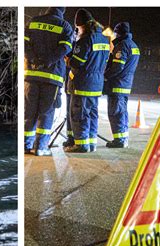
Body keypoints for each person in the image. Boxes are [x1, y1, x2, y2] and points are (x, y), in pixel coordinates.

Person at [24, 7, 74, 156]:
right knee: (46, 112)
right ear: (62, 11)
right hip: (51, 77)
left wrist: (33, 59)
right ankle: (41, 147)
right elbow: (66, 47)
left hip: (31, 75)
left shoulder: (33, 22)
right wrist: (48, 61)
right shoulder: (65, 26)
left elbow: (24, 44)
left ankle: (25, 145)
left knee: (29, 111)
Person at [64, 9, 110, 153]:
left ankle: (81, 144)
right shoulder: (103, 39)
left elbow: (77, 62)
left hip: (82, 83)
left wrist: (68, 60)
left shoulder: (85, 39)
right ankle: (91, 143)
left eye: (77, 28)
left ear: (80, 25)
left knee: (79, 114)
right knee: (92, 114)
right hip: (96, 84)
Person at [104, 22, 140, 148]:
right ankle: (123, 137)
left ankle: (119, 140)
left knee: (115, 112)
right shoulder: (134, 45)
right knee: (122, 112)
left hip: (117, 84)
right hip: (126, 84)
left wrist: (105, 76)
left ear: (118, 33)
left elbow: (118, 66)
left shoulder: (122, 45)